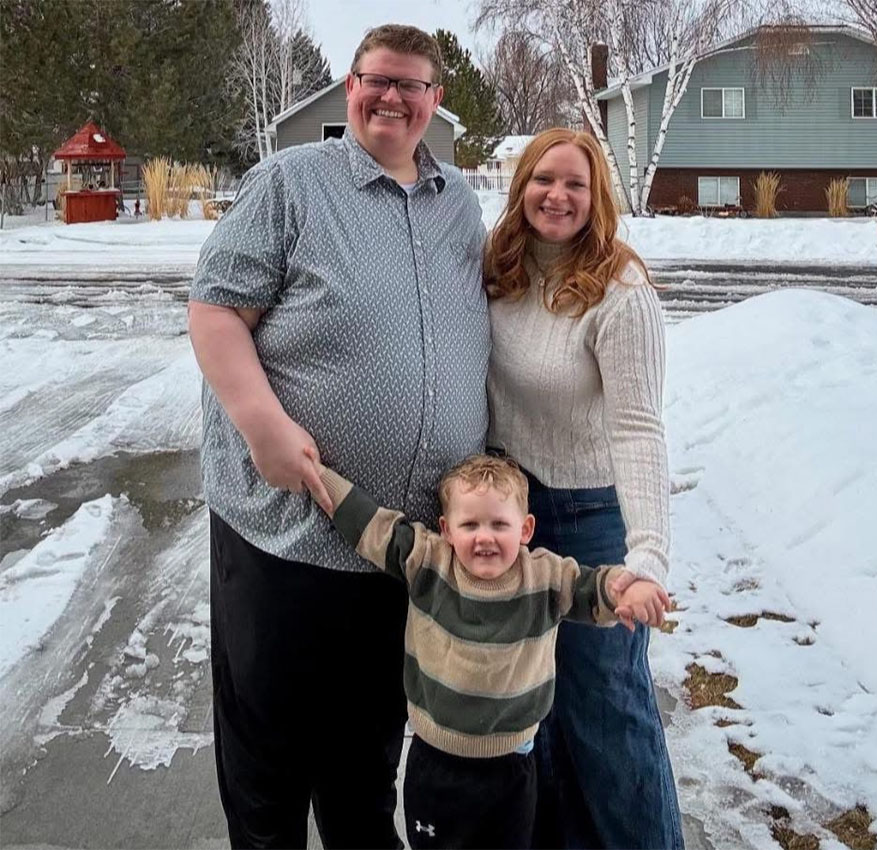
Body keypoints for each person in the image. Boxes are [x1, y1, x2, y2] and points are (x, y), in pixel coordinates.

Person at [187, 24, 490, 849]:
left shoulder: (458, 204)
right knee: (271, 768)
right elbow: (215, 310)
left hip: (398, 548)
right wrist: (263, 426)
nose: (391, 97)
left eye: (410, 84)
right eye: (375, 80)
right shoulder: (291, 183)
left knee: (363, 763)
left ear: (435, 100)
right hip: (287, 537)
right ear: (351, 88)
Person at [484, 128, 685, 849]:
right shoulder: (499, 269)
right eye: (544, 179)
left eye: (576, 183)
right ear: (522, 188)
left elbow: (638, 429)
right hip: (515, 517)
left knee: (608, 712)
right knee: (533, 710)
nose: (558, 196)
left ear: (598, 196)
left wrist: (647, 558)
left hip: (589, 514)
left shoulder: (620, 291)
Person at [308, 453, 671, 850]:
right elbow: (373, 527)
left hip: (512, 771)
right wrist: (316, 475)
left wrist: (627, 589)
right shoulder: (429, 563)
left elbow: (592, 588)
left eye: (499, 524)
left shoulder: (545, 578)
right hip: (438, 766)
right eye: (470, 525)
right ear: (446, 529)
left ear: (526, 528)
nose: (485, 537)